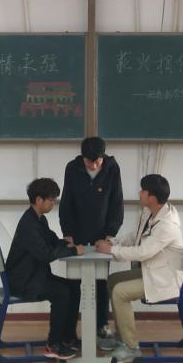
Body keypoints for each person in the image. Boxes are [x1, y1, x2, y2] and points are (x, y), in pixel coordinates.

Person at [94, 174, 183, 363]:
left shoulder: (167, 225)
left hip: (164, 279)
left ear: (152, 197)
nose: (139, 193)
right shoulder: (150, 212)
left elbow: (143, 252)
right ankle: (122, 337)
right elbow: (135, 236)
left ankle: (131, 348)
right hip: (153, 271)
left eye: (143, 190)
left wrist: (111, 250)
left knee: (120, 292)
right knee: (113, 280)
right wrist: (113, 242)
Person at [4, 177, 83, 360]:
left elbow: (51, 241)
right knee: (62, 292)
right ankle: (53, 345)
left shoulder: (39, 219)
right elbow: (46, 254)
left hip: (34, 275)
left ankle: (68, 337)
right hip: (24, 281)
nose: (53, 203)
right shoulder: (28, 224)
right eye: (51, 200)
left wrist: (66, 243)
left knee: (73, 286)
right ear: (39, 200)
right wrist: (73, 251)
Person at [59, 136, 124, 348]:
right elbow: (66, 203)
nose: (94, 166)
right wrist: (67, 233)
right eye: (89, 161)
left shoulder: (112, 169)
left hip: (101, 239)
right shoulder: (72, 168)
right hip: (77, 237)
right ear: (83, 157)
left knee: (101, 284)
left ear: (103, 157)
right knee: (73, 285)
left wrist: (110, 235)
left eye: (97, 161)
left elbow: (116, 203)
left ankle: (101, 327)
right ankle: (69, 331)